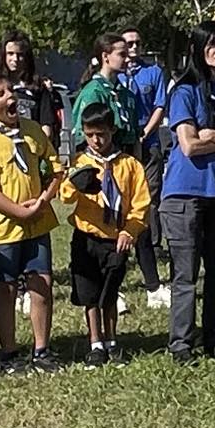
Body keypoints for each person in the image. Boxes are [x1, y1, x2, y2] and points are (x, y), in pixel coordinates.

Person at [159, 23, 215, 366]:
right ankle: (181, 343)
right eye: (213, 44)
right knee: (186, 273)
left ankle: (214, 336)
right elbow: (190, 145)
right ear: (198, 48)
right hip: (185, 193)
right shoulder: (185, 90)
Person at [0, 70, 61, 374]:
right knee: (6, 289)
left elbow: (56, 169)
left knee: (42, 284)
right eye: (0, 94)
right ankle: (9, 353)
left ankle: (41, 350)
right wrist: (20, 212)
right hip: (3, 228)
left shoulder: (33, 130)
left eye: (11, 91)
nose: (10, 97)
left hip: (39, 222)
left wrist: (43, 201)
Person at [62, 101, 149, 368]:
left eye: (102, 134)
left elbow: (140, 204)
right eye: (90, 135)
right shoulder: (80, 161)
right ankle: (95, 343)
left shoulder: (130, 165)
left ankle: (112, 340)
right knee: (89, 294)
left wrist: (130, 231)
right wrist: (75, 184)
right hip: (86, 238)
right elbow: (65, 196)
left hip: (116, 239)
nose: (96, 140)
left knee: (110, 292)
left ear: (112, 130)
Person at [122, 25, 170, 307]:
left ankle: (152, 241)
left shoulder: (152, 72)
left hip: (148, 140)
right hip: (123, 144)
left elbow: (159, 106)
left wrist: (144, 133)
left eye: (138, 42)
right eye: (129, 43)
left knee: (150, 196)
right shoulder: (115, 75)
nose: (134, 48)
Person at [71, 33, 143, 152]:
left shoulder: (126, 94)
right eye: (122, 55)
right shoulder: (93, 92)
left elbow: (135, 135)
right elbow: (84, 136)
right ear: (105, 56)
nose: (127, 59)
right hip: (102, 158)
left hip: (127, 159)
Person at [0, 32, 62, 151]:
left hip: (32, 150)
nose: (15, 59)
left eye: (20, 55)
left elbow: (46, 126)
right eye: (10, 54)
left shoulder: (38, 87)